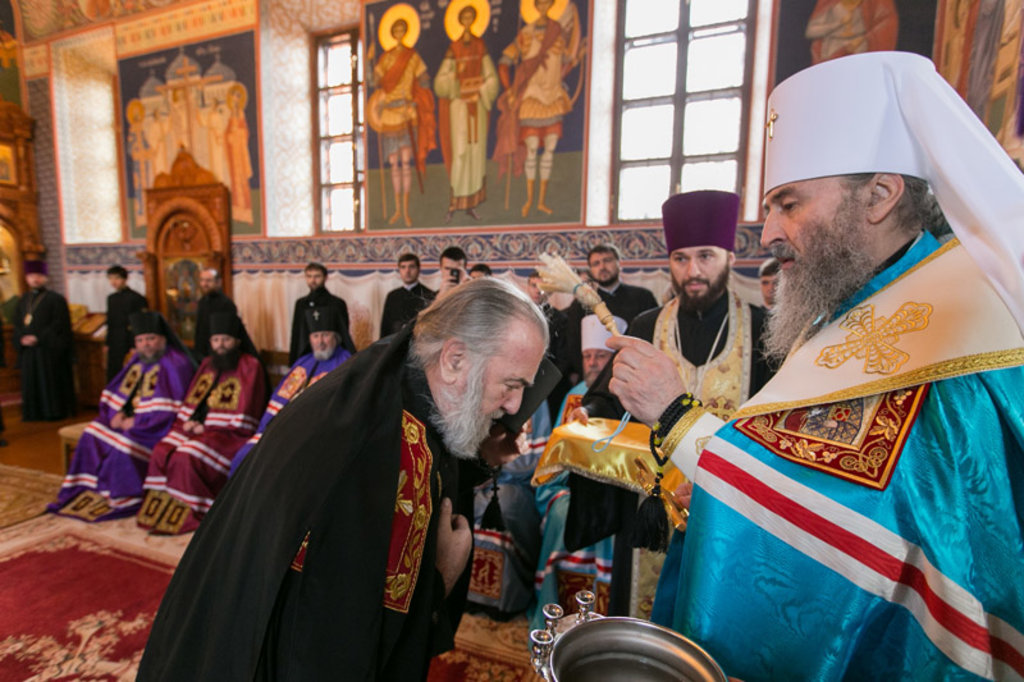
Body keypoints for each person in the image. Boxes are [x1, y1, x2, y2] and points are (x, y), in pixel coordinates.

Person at [607, 52, 1024, 679]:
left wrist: (678, 418)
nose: (768, 231)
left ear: (880, 195)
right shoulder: (861, 297)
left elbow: (874, 535)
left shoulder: (953, 325)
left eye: (790, 203)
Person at [136, 277, 548, 680]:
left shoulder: (404, 373)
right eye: (512, 385)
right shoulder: (376, 447)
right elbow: (345, 639)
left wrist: (481, 455)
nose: (514, 404)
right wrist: (440, 575)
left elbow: (435, 457)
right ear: (455, 359)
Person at [567, 190, 774, 620]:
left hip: (725, 510)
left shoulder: (764, 331)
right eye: (681, 258)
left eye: (705, 256)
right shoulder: (647, 325)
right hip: (648, 513)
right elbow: (606, 395)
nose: (693, 271)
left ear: (729, 257)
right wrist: (588, 413)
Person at [50, 312, 195, 522]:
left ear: (162, 339)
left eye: (150, 339)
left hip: (156, 427)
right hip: (130, 420)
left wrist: (137, 423)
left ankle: (123, 495)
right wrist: (115, 414)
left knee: (124, 445)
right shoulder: (137, 360)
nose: (146, 345)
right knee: (92, 433)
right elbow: (117, 390)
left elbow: (173, 408)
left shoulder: (175, 363)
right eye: (140, 340)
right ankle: (89, 488)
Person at [529, 313, 625, 629]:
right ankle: (556, 615)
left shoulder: (628, 397)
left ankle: (608, 622)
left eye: (601, 356)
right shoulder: (573, 397)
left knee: (617, 524)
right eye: (588, 356)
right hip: (568, 489)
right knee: (564, 513)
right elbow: (553, 460)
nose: (593, 362)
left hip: (617, 493)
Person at [137, 312, 267, 535]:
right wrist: (189, 421)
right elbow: (192, 397)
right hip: (198, 428)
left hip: (229, 435)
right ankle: (158, 511)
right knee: (161, 451)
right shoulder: (207, 363)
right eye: (216, 340)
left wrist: (205, 426)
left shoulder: (250, 365)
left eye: (226, 340)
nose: (221, 346)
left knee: (185, 456)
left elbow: (246, 410)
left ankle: (189, 513)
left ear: (236, 341)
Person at [229, 307, 352, 476]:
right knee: (243, 457)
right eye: (315, 336)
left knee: (276, 463)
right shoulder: (303, 362)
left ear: (336, 337)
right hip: (281, 427)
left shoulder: (345, 363)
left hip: (309, 434)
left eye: (325, 335)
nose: (320, 341)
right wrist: (267, 429)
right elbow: (278, 399)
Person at [494, 0, 584, 217]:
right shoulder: (526, 33)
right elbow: (505, 61)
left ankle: (541, 202)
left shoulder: (558, 32)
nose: (543, 6)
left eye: (547, 3)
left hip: (552, 96)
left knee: (550, 151)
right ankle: (528, 201)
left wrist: (578, 57)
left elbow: (563, 64)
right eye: (540, 3)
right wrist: (511, 90)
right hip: (531, 97)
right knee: (532, 150)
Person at [369, 8, 437, 228]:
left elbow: (424, 80)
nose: (398, 33)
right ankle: (397, 210)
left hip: (407, 111)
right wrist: (370, 64)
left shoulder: (413, 57)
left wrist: (421, 92)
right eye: (395, 30)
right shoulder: (385, 58)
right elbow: (375, 81)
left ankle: (407, 212)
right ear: (392, 33)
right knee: (394, 164)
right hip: (388, 114)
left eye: (402, 30)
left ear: (406, 32)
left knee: (406, 163)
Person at [434, 1, 499, 222]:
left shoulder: (481, 47)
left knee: (476, 153)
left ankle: (472, 202)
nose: (469, 21)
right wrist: (455, 79)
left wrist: (481, 86)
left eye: (472, 17)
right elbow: (440, 81)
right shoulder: (454, 49)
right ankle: (456, 201)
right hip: (459, 108)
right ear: (460, 21)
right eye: (465, 17)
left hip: (477, 106)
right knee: (460, 152)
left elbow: (491, 77)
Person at [564, 243, 657, 383]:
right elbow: (573, 344)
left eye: (607, 260)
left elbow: (653, 336)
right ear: (591, 270)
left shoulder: (643, 297)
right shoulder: (581, 304)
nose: (602, 267)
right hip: (594, 378)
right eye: (596, 263)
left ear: (619, 264)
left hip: (634, 375)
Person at [14, 260, 75, 421]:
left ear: (45, 278)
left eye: (39, 276)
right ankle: (33, 413)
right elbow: (18, 323)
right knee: (31, 382)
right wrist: (22, 338)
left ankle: (52, 412)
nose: (35, 279)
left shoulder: (56, 299)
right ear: (27, 278)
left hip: (48, 351)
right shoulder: (22, 300)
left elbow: (59, 324)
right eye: (32, 276)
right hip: (28, 351)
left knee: (49, 381)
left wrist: (38, 338)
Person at [288, 262, 355, 364]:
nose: (312, 280)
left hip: (332, 356)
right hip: (307, 357)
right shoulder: (301, 304)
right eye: (309, 276)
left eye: (317, 276)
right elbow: (297, 334)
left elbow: (343, 333)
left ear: (325, 277)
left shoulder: (337, 303)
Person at [525, 268, 571, 415]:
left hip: (550, 385)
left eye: (543, 287)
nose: (538, 291)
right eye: (534, 285)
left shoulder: (561, 319)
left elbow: (563, 358)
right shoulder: (517, 314)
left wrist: (545, 383)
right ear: (527, 287)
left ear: (550, 291)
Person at [804, 0, 898, 64]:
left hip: (861, 50)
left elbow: (886, 21)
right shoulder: (830, 3)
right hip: (832, 52)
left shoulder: (875, 2)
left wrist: (864, 41)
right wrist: (838, 24)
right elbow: (811, 31)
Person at [104, 265, 148, 382]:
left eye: (117, 278)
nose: (113, 282)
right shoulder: (111, 298)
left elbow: (139, 324)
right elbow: (110, 322)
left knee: (129, 375)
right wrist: (107, 343)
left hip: (129, 341)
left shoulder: (136, 298)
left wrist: (135, 345)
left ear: (124, 279)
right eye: (111, 278)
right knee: (114, 373)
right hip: (114, 342)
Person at [380, 252, 436, 337]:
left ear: (418, 269)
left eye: (411, 267)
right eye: (403, 267)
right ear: (399, 270)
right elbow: (385, 328)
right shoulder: (392, 296)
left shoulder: (429, 295)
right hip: (395, 346)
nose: (407, 271)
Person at [193, 268, 236, 360]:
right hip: (201, 352)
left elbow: (226, 336)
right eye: (202, 280)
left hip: (217, 353)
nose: (204, 284)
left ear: (218, 282)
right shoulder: (202, 301)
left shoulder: (225, 304)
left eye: (208, 281)